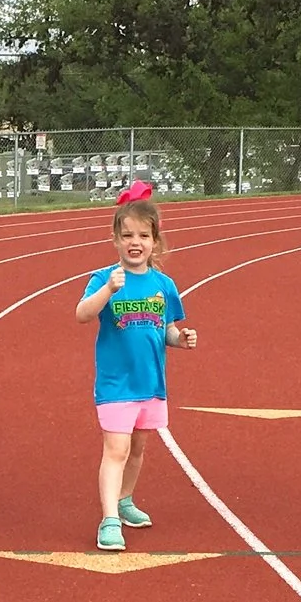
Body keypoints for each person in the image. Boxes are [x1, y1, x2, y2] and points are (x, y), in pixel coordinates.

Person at [75, 184, 195, 552]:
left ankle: (125, 500)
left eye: (143, 235)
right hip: (116, 385)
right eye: (127, 235)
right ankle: (109, 519)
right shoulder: (105, 279)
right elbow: (82, 314)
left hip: (151, 383)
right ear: (115, 240)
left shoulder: (164, 285)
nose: (135, 242)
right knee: (116, 449)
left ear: (155, 241)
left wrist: (180, 338)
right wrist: (108, 291)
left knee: (138, 448)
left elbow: (166, 329)